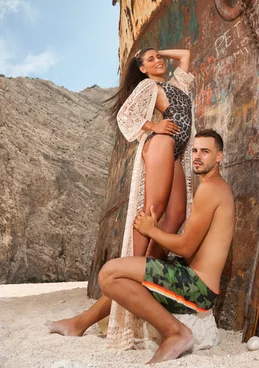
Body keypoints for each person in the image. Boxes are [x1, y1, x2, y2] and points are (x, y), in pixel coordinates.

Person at [46, 48, 195, 345]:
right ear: (141, 70)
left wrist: (158, 51)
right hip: (162, 144)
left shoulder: (176, 85)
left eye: (158, 57)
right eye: (150, 59)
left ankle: (85, 317)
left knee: (176, 215)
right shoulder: (148, 86)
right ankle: (136, 265)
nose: (158, 61)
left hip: (176, 152)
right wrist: (153, 125)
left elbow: (186, 55)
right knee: (153, 209)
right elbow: (126, 116)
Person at [98, 129, 235, 364]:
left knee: (109, 274)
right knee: (119, 274)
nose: (198, 156)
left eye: (205, 151)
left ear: (219, 157)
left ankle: (176, 332)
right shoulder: (215, 187)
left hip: (197, 287)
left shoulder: (210, 190)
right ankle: (81, 323)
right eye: (194, 150)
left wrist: (152, 230)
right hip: (191, 276)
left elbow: (185, 248)